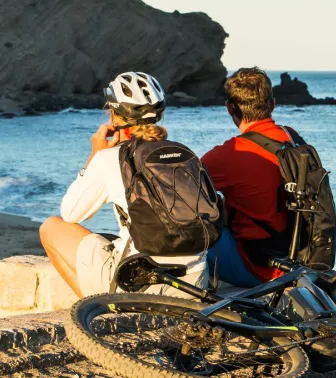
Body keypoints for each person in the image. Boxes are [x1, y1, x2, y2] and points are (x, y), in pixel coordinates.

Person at [40, 72, 208, 298]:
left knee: (51, 227)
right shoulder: (185, 154)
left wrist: (94, 156)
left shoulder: (111, 158)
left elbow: (71, 213)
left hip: (140, 281)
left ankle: (97, 307)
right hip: (195, 281)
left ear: (114, 115)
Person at [202, 67, 301, 287]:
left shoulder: (229, 154)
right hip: (298, 262)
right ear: (272, 104)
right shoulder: (293, 139)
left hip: (256, 269)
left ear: (230, 108)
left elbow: (180, 189)